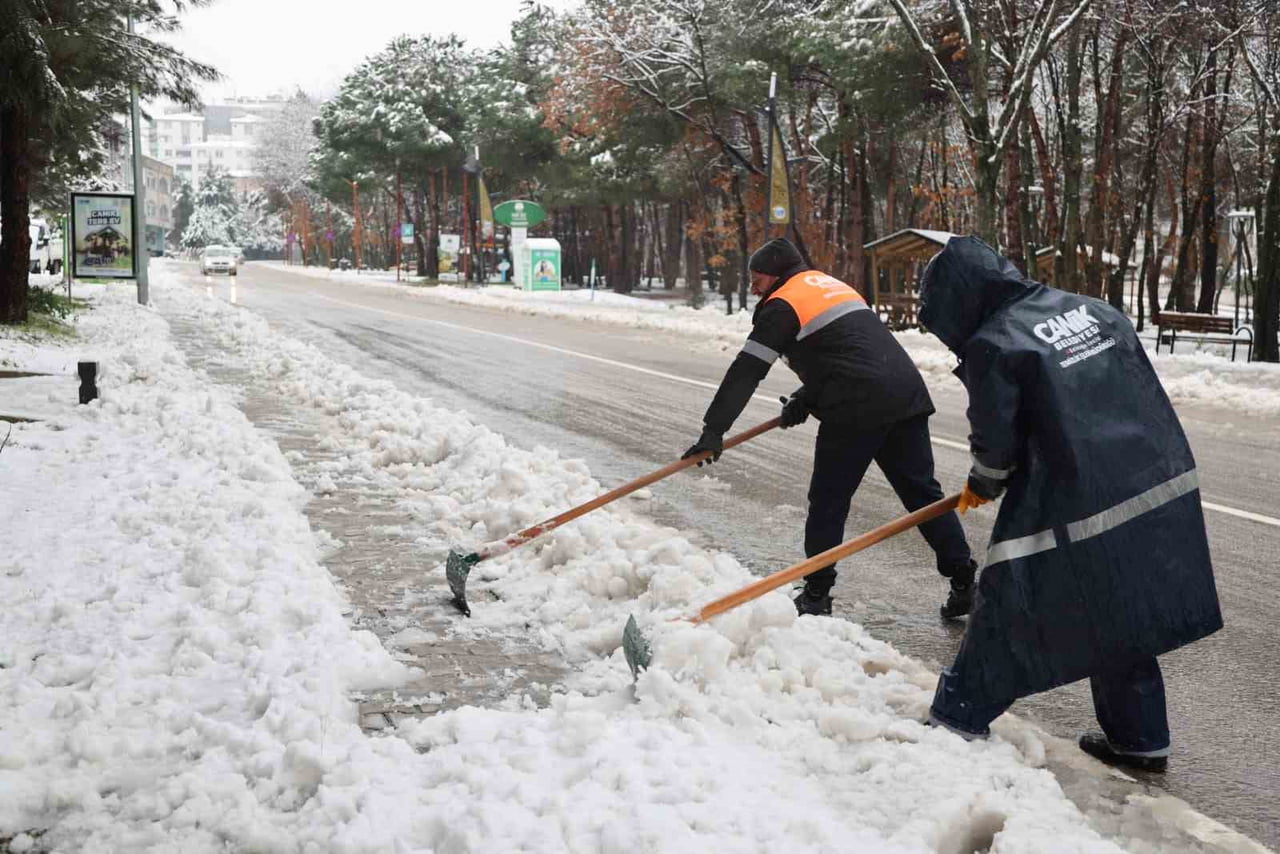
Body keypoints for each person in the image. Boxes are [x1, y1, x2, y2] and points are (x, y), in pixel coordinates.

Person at [918, 236, 1222, 772]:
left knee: (1013, 595)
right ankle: (1140, 739)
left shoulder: (997, 342)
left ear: (958, 299)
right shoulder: (1093, 309)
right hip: (1154, 475)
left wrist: (984, 483)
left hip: (1075, 495)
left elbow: (996, 442)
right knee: (1119, 603)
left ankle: (955, 717)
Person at [682, 237, 976, 618]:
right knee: (924, 497)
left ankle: (816, 594)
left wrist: (713, 429)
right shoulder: (830, 285)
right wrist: (808, 398)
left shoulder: (783, 304)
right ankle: (964, 580)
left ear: (777, 275)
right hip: (905, 395)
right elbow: (848, 353)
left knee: (828, 502)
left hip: (857, 407)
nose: (753, 287)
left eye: (758, 278)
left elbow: (748, 369)